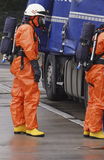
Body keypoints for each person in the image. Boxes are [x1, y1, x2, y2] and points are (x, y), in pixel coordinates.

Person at [10, 3, 46, 137]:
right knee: (31, 96)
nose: (42, 21)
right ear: (33, 17)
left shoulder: (24, 27)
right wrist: (36, 67)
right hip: (25, 65)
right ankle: (31, 127)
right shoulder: (27, 29)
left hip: (20, 65)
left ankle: (19, 125)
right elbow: (29, 48)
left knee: (18, 96)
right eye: (40, 18)